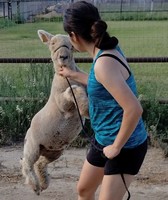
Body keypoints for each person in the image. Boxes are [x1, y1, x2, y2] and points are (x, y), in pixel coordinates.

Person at [59, 1, 148, 200]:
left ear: (73, 36)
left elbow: (134, 109)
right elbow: (101, 83)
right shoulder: (105, 49)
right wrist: (72, 74)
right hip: (103, 140)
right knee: (84, 190)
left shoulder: (103, 63)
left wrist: (116, 147)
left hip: (125, 146)